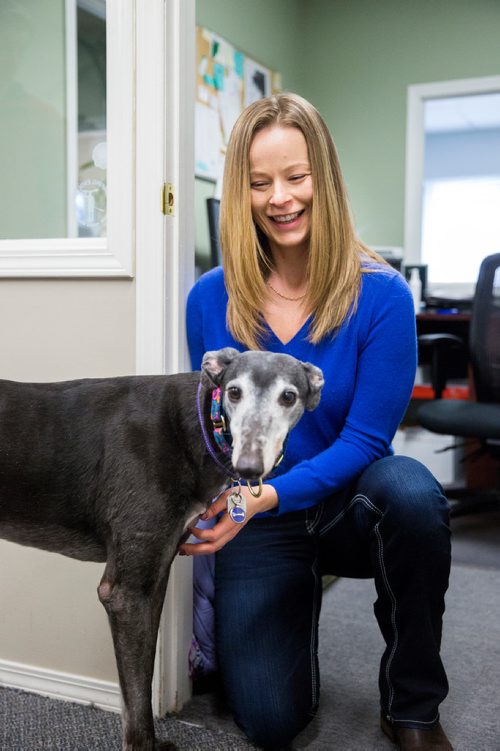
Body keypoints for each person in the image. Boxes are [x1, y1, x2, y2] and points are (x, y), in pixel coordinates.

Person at [182, 92, 452, 751]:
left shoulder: (381, 294)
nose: (281, 198)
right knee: (271, 720)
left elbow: (366, 440)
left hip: (343, 505)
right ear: (241, 193)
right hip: (260, 517)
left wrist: (269, 494)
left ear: (323, 178)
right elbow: (216, 432)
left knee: (412, 491)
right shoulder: (209, 298)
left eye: (296, 177)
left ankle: (413, 704)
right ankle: (288, 602)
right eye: (260, 183)